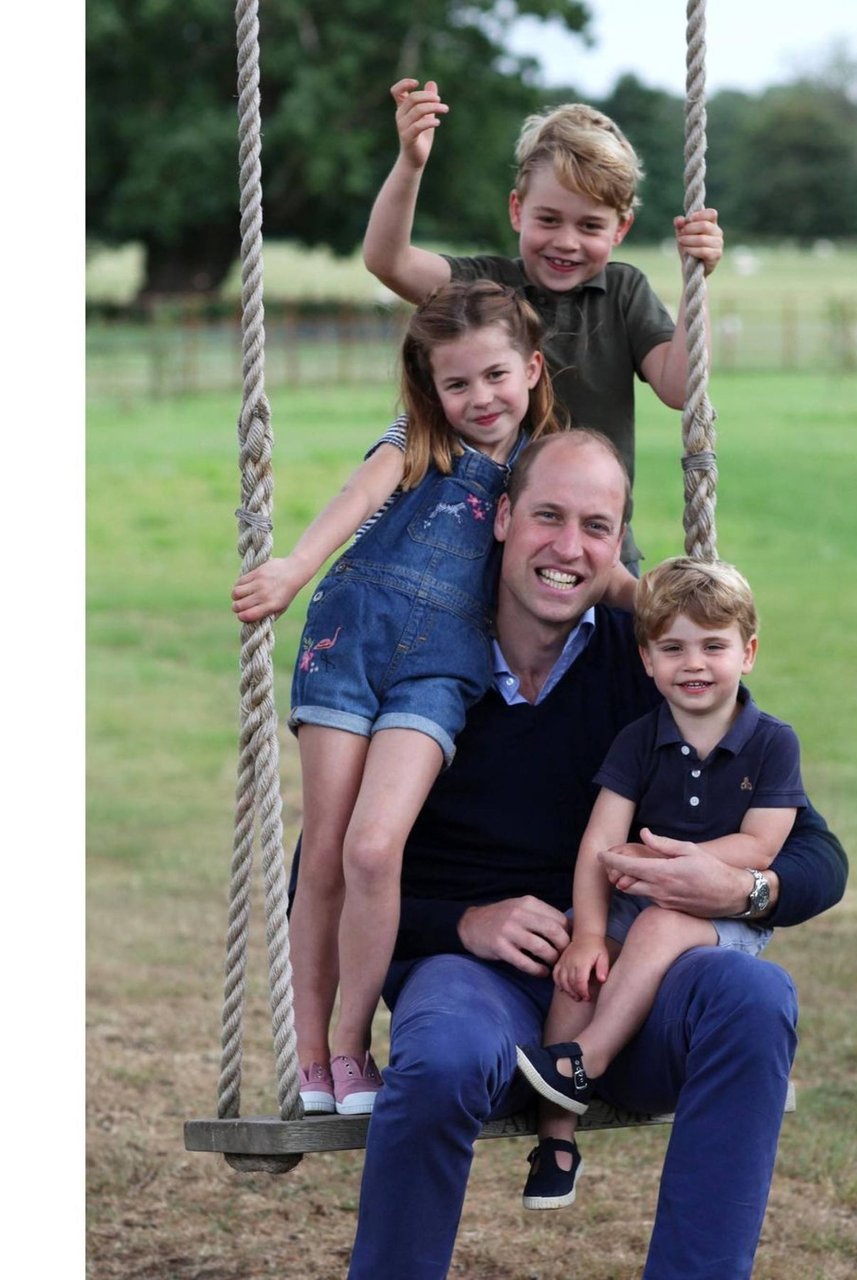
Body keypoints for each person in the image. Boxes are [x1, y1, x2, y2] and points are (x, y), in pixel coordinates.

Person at [339, 431, 848, 1280]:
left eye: (596, 526)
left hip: (631, 988)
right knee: (442, 1057)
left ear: (618, 547)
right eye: (547, 516)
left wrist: (741, 886)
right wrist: (463, 922)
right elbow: (319, 880)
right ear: (502, 518)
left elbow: (817, 854)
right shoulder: (422, 662)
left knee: (753, 995)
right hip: (478, 979)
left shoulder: (647, 664)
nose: (568, 548)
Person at [230, 280, 570, 1117]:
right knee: (327, 850)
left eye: (495, 376)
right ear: (432, 389)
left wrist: (663, 603)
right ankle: (313, 1058)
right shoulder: (418, 438)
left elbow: (579, 554)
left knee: (376, 850)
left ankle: (352, 1044)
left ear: (530, 368)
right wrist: (292, 569)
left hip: (442, 667)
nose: (479, 399)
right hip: (350, 640)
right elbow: (356, 500)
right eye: (457, 384)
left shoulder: (542, 466)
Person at [514, 556, 807, 1210]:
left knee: (661, 921)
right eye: (673, 648)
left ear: (748, 652)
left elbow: (761, 845)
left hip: (722, 911)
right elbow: (599, 842)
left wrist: (681, 866)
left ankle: (587, 1057)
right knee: (578, 969)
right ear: (647, 660)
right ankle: (557, 1136)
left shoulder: (772, 744)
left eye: (714, 646)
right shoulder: (639, 741)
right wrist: (589, 934)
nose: (694, 663)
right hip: (636, 895)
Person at [362, 83, 725, 571]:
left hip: (597, 549)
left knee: (616, 644)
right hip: (486, 549)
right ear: (517, 210)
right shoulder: (486, 288)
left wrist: (693, 281)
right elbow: (389, 261)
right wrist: (411, 162)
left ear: (621, 230)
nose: (566, 242)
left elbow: (681, 387)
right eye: (549, 219)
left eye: (590, 226)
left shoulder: (623, 292)